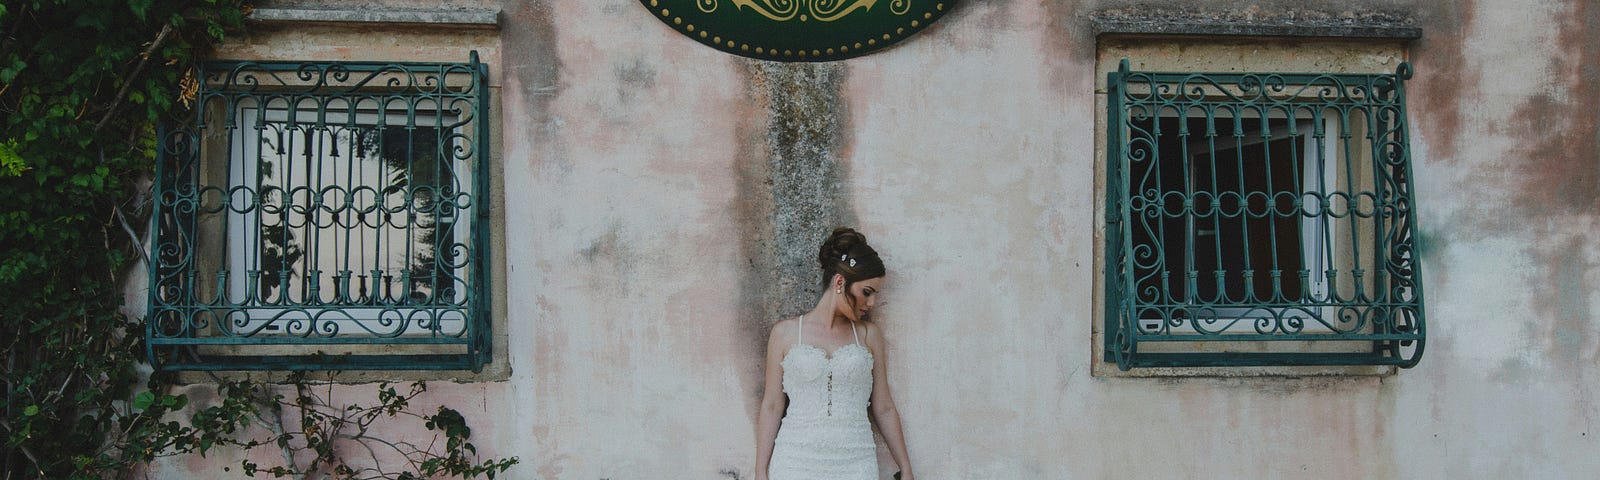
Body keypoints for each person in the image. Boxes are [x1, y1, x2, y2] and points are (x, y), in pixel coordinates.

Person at [755, 227, 913, 480]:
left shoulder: (869, 336)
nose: (871, 303)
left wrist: (905, 467)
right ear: (840, 282)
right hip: (795, 462)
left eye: (875, 295)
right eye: (867, 292)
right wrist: (760, 472)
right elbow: (772, 405)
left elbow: (883, 407)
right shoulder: (784, 334)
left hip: (856, 463)